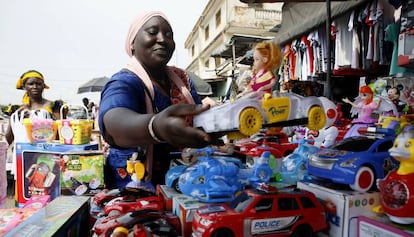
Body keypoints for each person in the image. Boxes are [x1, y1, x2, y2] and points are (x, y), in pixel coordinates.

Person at [98, 11, 213, 190]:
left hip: (188, 188)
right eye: (152, 32)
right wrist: (155, 126)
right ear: (132, 43)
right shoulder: (124, 81)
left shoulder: (183, 80)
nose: (162, 39)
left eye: (169, 35)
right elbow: (113, 123)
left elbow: (201, 118)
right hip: (137, 193)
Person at [5, 70, 63, 145]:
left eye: (38, 84)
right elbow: (9, 138)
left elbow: (62, 133)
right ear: (24, 86)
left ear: (43, 86)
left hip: (47, 153)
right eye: (31, 84)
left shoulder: (54, 106)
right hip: (22, 153)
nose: (35, 87)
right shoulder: (17, 111)